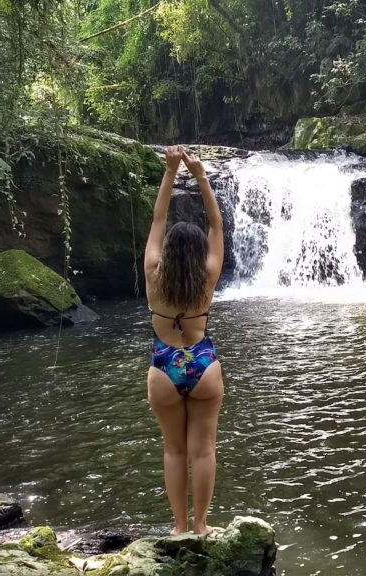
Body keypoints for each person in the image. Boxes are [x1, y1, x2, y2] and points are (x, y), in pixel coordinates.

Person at [144, 145, 225, 535]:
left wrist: (170, 172)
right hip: (204, 364)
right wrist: (201, 176)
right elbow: (217, 227)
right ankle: (202, 525)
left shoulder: (152, 275)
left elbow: (159, 218)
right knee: (204, 449)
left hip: (163, 366)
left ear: (169, 252)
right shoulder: (207, 277)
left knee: (174, 450)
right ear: (198, 255)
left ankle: (178, 528)